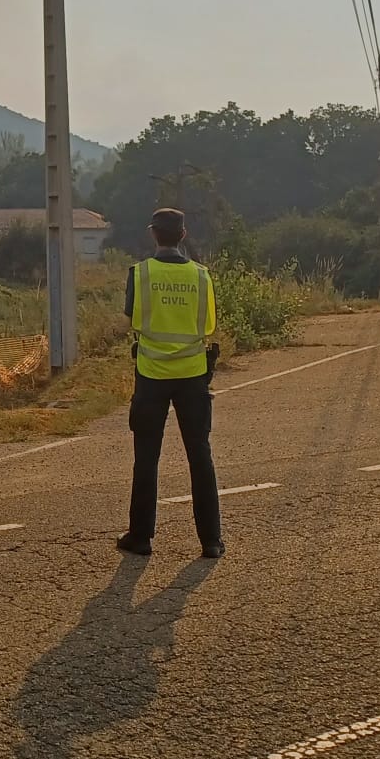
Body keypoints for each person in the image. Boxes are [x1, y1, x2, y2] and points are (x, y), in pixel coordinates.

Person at [117, 207, 224, 558]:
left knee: (146, 458)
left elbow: (132, 317)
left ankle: (141, 537)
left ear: (153, 233)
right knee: (200, 456)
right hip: (192, 375)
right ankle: (211, 541)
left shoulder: (140, 274)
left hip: (152, 375)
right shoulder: (201, 276)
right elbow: (208, 325)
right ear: (183, 235)